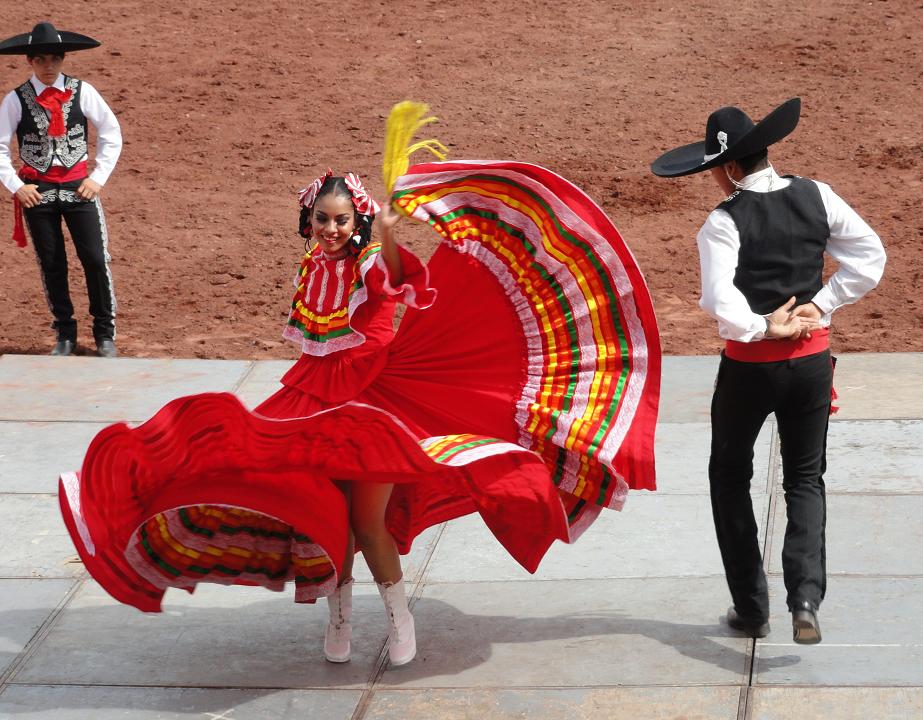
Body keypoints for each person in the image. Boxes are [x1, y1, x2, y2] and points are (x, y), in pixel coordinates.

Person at [59, 160, 661, 668]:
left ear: (359, 222)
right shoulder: (312, 266)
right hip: (313, 402)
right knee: (327, 519)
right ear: (308, 221)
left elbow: (393, 273)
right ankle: (340, 619)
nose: (330, 229)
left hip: (374, 406)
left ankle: (399, 620)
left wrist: (391, 235)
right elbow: (315, 342)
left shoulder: (370, 260)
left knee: (368, 522)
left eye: (341, 219)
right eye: (321, 219)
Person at [651, 97, 886, 644]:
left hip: (750, 371)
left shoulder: (722, 221)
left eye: (716, 170)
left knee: (730, 477)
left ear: (732, 167)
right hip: (810, 365)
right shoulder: (817, 194)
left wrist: (764, 327)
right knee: (805, 478)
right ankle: (805, 599)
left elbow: (719, 300)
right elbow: (869, 256)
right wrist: (821, 305)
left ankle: (751, 608)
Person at [0, 21, 122, 357]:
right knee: (52, 263)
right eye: (41, 59)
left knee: (95, 259)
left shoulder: (84, 91)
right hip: (37, 193)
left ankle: (105, 333)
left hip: (79, 189)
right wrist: (16, 186)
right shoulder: (15, 99)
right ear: (30, 61)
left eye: (55, 58)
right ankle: (65, 334)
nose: (48, 66)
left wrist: (97, 177)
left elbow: (111, 132)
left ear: (63, 59)